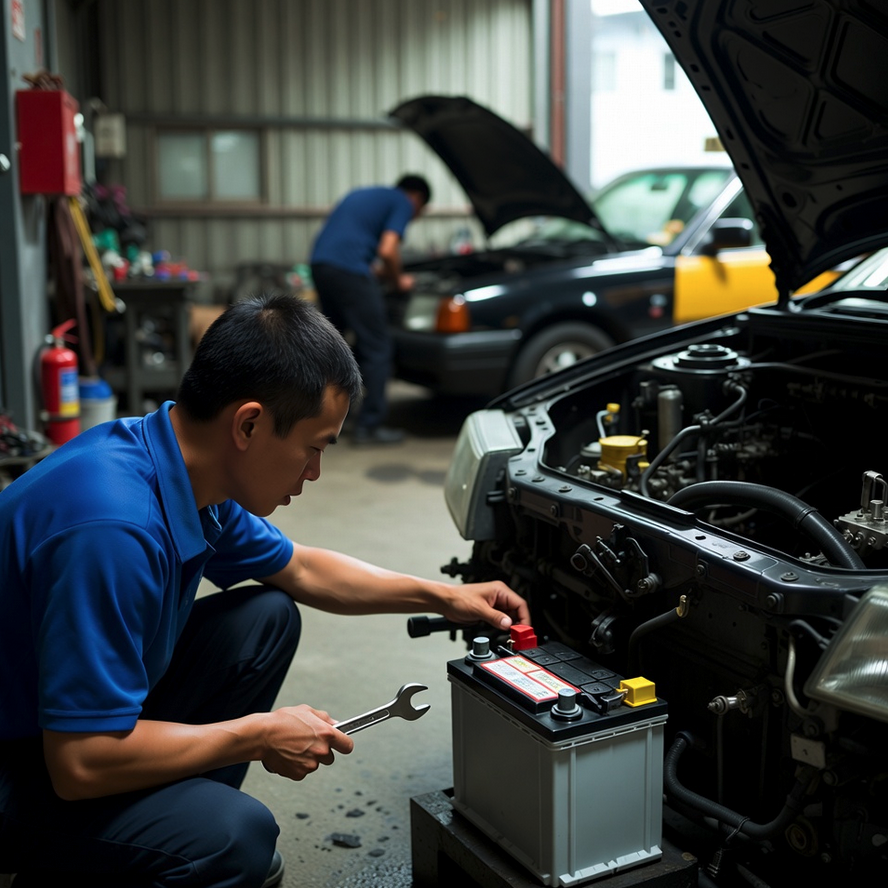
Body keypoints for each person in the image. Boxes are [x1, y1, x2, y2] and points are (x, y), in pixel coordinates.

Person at [0, 293, 529, 887]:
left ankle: (149, 826)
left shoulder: (181, 466)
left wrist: (445, 596)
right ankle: (100, 857)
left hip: (59, 723)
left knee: (266, 617)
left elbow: (302, 569)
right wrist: (255, 734)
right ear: (249, 423)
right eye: (313, 447)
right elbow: (79, 762)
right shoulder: (113, 529)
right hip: (26, 765)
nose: (314, 473)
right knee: (234, 839)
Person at [310, 174, 431, 445]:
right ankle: (369, 425)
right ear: (418, 199)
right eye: (419, 212)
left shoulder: (366, 194)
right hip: (347, 270)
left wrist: (374, 272)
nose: (414, 216)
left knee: (334, 345)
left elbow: (350, 241)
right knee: (378, 346)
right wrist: (398, 280)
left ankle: (324, 417)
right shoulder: (402, 202)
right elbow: (388, 250)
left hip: (322, 266)